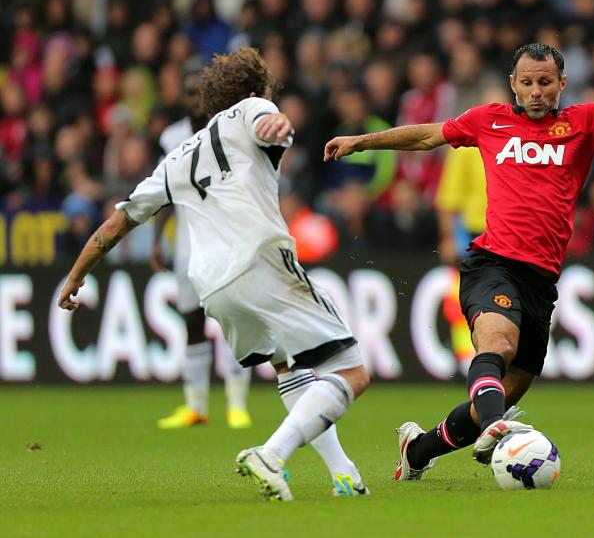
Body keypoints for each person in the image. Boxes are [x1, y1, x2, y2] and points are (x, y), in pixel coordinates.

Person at [325, 42, 594, 480]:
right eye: (527, 83)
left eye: (545, 82)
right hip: (493, 262)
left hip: (542, 280)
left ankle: (418, 450)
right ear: (513, 85)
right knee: (497, 346)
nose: (536, 91)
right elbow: (429, 135)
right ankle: (498, 432)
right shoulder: (489, 120)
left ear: (562, 84)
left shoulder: (584, 121)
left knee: (505, 390)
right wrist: (361, 141)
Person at [58, 47, 370, 501]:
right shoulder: (253, 107)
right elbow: (269, 123)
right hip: (261, 263)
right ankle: (272, 454)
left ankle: (344, 475)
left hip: (213, 289)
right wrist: (278, 125)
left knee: (289, 368)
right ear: (254, 88)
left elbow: (116, 223)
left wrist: (74, 276)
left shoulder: (177, 157)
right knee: (353, 372)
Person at [151, 68, 254, 431]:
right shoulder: (171, 136)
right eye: (188, 92)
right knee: (192, 322)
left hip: (226, 240)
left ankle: (236, 404)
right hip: (187, 243)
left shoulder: (229, 130)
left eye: (199, 92)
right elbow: (163, 190)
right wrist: (157, 239)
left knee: (232, 320)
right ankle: (195, 406)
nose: (194, 98)